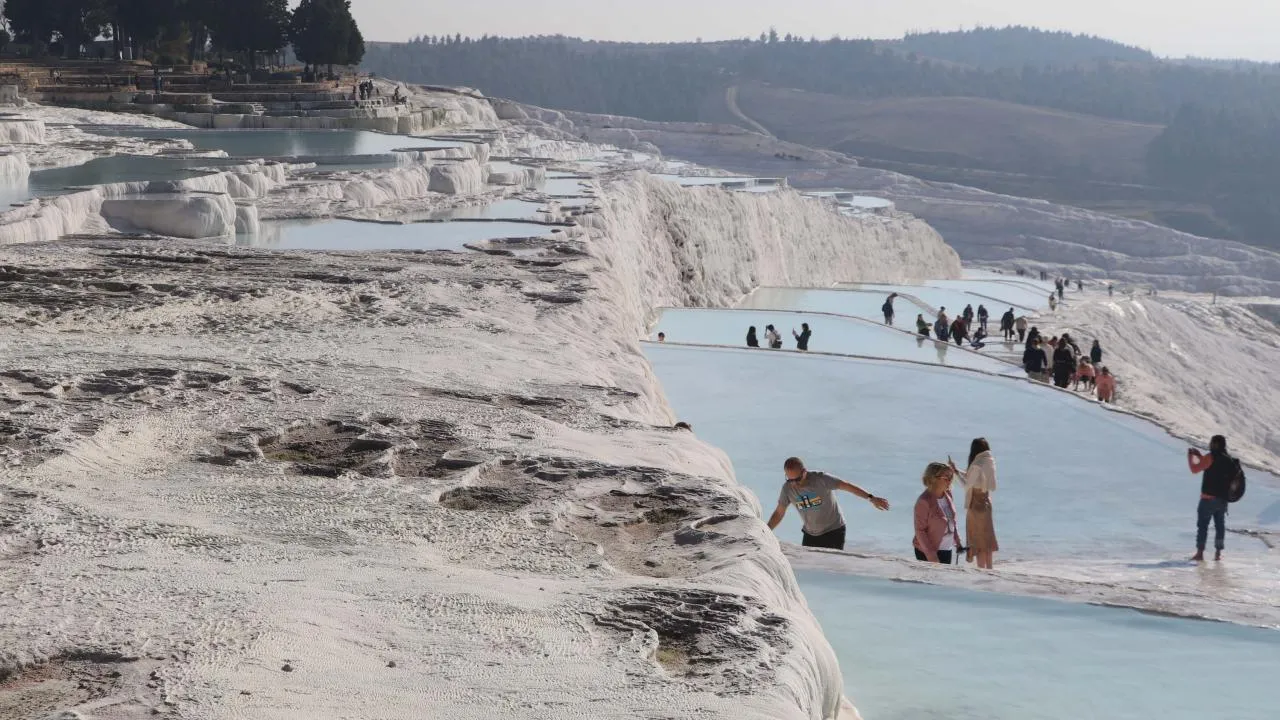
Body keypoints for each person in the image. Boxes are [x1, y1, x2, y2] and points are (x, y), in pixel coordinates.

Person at [767, 457, 891, 550]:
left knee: (832, 568)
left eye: (797, 479)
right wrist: (765, 531)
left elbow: (847, 486)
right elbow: (779, 513)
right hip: (810, 534)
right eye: (790, 480)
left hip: (834, 531)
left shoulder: (821, 479)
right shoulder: (787, 489)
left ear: (804, 472)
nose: (794, 483)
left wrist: (871, 498)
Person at [1187, 436, 1241, 562]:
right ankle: (1218, 553)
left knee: (1203, 526)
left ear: (1214, 444)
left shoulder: (1210, 457)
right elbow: (1213, 467)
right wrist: (1200, 456)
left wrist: (1190, 457)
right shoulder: (1229, 460)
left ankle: (1200, 553)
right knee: (1220, 526)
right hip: (1222, 500)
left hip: (1207, 499)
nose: (1209, 444)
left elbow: (1194, 469)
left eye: (1211, 442)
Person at [950, 438, 998, 569]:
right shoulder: (989, 461)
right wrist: (956, 471)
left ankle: (981, 569)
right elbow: (973, 478)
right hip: (986, 504)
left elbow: (967, 485)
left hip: (976, 506)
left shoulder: (976, 464)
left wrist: (956, 474)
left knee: (978, 542)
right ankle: (990, 568)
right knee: (987, 540)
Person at [914, 462, 962, 564]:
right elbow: (920, 531)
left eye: (951, 477)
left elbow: (952, 521)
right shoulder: (924, 501)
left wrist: (957, 542)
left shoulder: (948, 495)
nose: (950, 481)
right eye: (946, 477)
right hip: (928, 552)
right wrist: (931, 555)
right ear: (933, 478)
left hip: (946, 549)